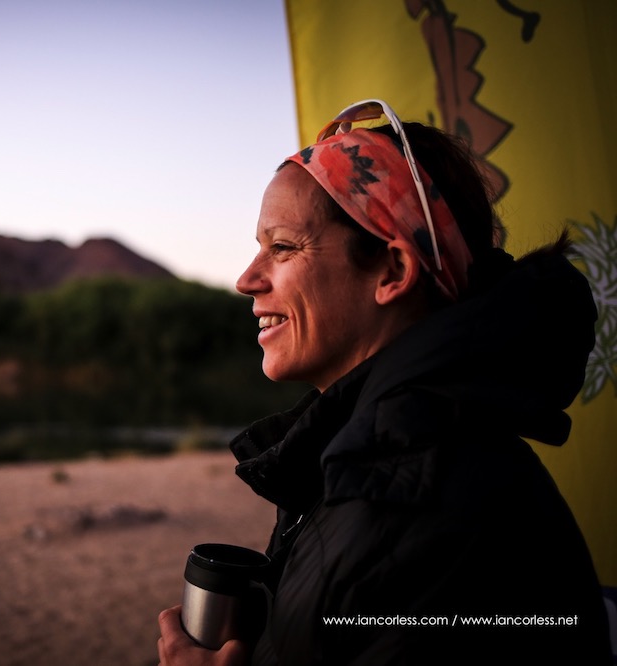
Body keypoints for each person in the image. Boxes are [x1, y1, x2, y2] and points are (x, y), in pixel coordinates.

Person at [157, 99, 612, 665]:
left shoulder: (428, 505)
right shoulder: (372, 461)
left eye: (282, 247)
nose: (246, 280)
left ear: (393, 271)